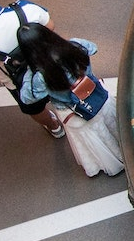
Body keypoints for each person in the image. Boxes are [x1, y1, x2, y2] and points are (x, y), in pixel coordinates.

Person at [17, 23, 124, 177]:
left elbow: (27, 98)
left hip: (76, 112)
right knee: (114, 127)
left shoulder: (40, 76)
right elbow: (93, 48)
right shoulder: (75, 45)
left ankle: (108, 163)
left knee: (92, 140)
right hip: (97, 96)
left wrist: (29, 71)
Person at [0, 0, 63, 138]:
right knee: (64, 90)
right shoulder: (25, 8)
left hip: (20, 83)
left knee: (35, 109)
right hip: (49, 65)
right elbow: (50, 26)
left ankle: (54, 127)